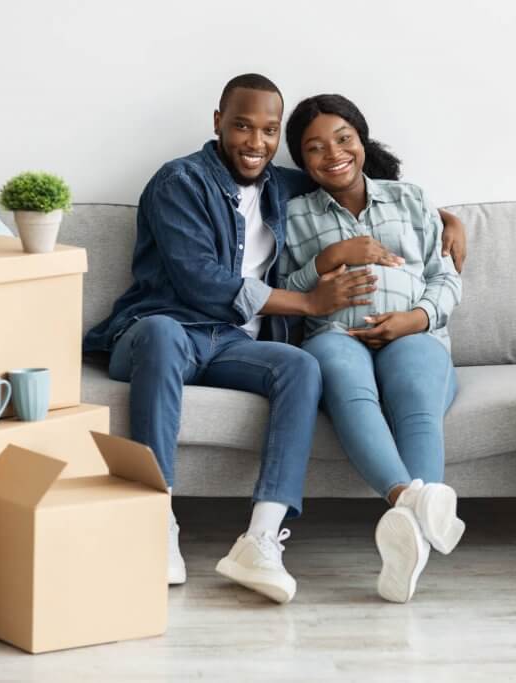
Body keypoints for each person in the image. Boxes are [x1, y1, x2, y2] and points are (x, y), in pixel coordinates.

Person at [83, 74, 467, 605]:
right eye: (242, 126)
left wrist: (447, 218)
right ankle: (155, 522)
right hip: (159, 329)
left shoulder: (282, 184)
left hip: (233, 343)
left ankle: (261, 539)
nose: (255, 142)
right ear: (218, 123)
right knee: (165, 332)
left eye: (268, 130)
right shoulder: (180, 182)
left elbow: (362, 186)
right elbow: (202, 282)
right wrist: (310, 303)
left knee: (300, 365)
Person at [280, 94, 463, 603]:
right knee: (344, 380)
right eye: (314, 148)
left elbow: (443, 276)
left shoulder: (409, 198)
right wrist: (329, 259)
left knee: (415, 400)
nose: (333, 153)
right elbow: (282, 287)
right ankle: (416, 504)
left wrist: (416, 318)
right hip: (335, 336)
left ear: (361, 140)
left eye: (343, 139)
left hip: (414, 334)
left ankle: (408, 537)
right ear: (301, 161)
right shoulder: (293, 214)